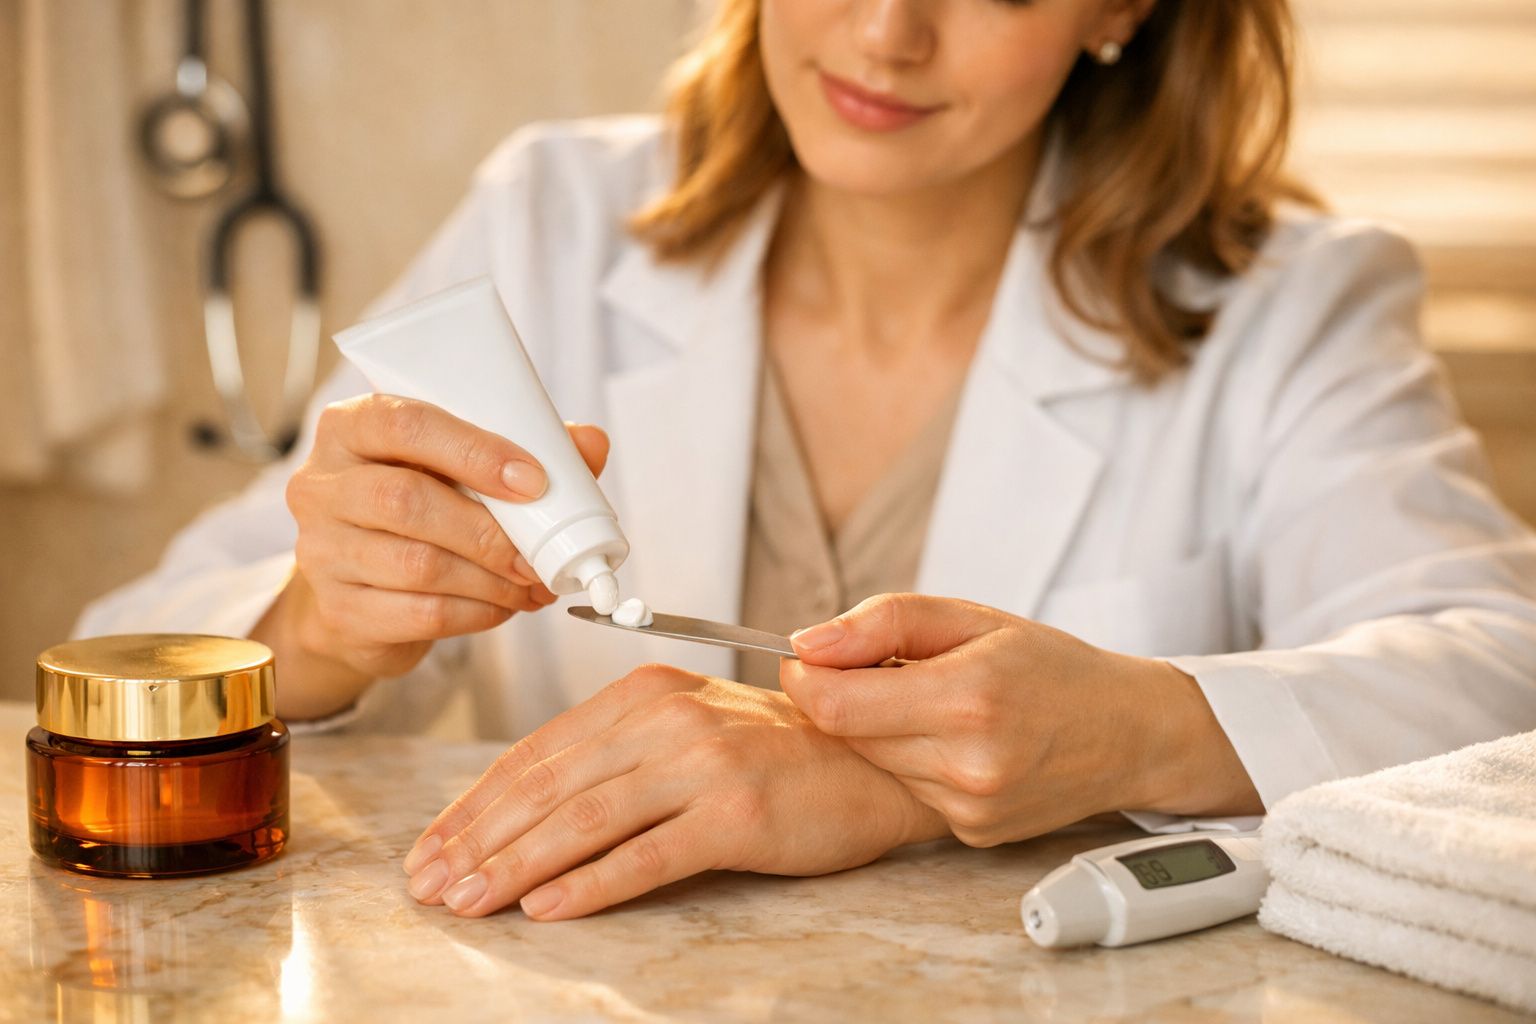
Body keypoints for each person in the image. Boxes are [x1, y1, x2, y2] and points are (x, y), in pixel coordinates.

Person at [81, 0, 1536, 923]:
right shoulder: (554, 217)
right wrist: (319, 629)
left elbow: (1501, 680)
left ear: (1120, 10)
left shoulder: (1293, 305)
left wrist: (1084, 738)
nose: (888, 33)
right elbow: (113, 670)